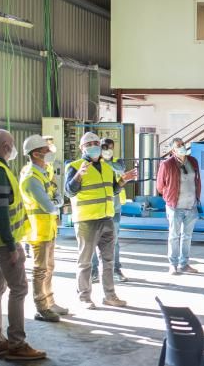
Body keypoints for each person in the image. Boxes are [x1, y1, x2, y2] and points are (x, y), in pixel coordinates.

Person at [0, 129, 46, 360]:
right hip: (2, 243)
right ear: (6, 146)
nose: (14, 148)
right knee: (19, 289)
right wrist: (11, 245)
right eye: (12, 144)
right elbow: (1, 213)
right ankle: (16, 344)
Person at [64, 132, 136, 309]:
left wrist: (122, 181)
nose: (94, 146)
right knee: (85, 262)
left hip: (107, 219)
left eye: (96, 143)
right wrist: (79, 175)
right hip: (87, 221)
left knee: (108, 261)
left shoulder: (106, 167)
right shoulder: (74, 166)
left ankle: (110, 296)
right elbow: (69, 191)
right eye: (89, 144)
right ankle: (84, 297)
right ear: (82, 148)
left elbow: (111, 190)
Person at [20, 135, 67, 323]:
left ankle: (50, 302)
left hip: (48, 228)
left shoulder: (43, 172)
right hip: (38, 230)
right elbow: (50, 205)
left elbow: (58, 197)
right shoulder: (31, 177)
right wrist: (57, 202)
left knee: (49, 267)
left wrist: (57, 201)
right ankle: (41, 307)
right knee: (40, 269)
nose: (49, 152)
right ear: (35, 153)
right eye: (46, 150)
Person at [156, 138, 201, 275]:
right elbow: (160, 186)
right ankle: (173, 264)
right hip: (175, 206)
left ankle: (184, 264)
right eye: (178, 146)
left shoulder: (193, 161)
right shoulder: (167, 164)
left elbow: (196, 180)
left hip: (191, 205)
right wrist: (170, 198)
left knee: (187, 236)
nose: (182, 147)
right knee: (174, 236)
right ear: (173, 150)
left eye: (183, 144)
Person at [91, 138, 128, 283]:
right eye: (104, 147)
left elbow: (120, 170)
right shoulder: (94, 163)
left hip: (114, 208)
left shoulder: (117, 162)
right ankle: (94, 270)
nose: (107, 150)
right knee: (93, 242)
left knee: (114, 242)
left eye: (110, 148)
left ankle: (116, 269)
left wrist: (107, 160)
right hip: (97, 209)